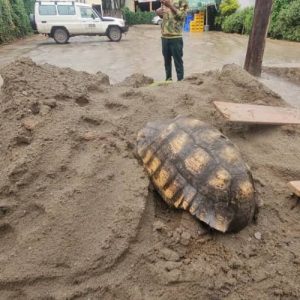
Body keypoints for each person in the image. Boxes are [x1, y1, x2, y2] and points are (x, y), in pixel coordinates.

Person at [156, 0, 188, 81]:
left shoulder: (182, 1)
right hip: (164, 36)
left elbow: (182, 16)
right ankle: (168, 80)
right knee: (166, 62)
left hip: (176, 37)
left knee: (178, 62)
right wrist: (158, 13)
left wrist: (170, 5)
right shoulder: (164, 1)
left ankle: (180, 82)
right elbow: (165, 16)